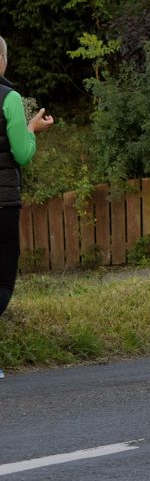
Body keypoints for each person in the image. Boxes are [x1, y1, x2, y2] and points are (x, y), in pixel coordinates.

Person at [0, 36, 54, 317]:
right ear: (1, 60)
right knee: (3, 282)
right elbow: (21, 153)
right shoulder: (8, 97)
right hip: (3, 203)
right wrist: (31, 130)